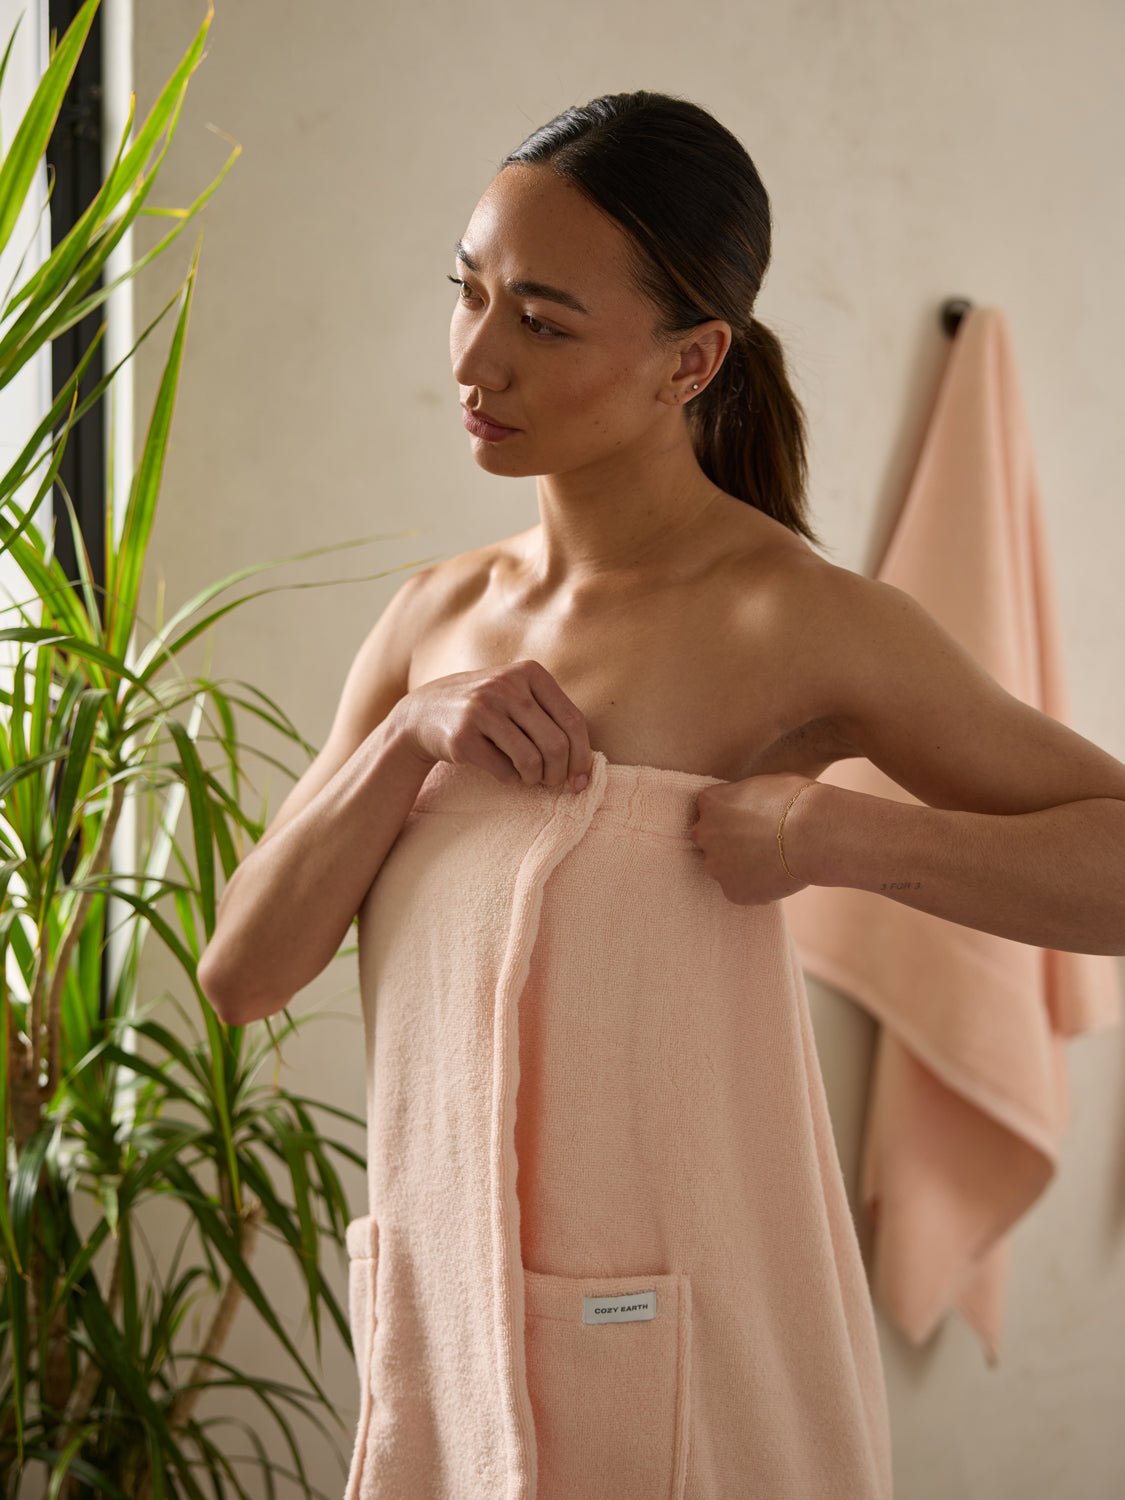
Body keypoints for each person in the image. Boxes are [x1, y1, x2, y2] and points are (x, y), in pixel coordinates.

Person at [200, 89, 1125, 1500]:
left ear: (690, 360)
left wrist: (838, 833)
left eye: (542, 321)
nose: (475, 356)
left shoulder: (790, 619)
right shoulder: (429, 620)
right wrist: (407, 738)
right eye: (468, 293)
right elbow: (243, 972)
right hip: (449, 1351)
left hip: (700, 1362)